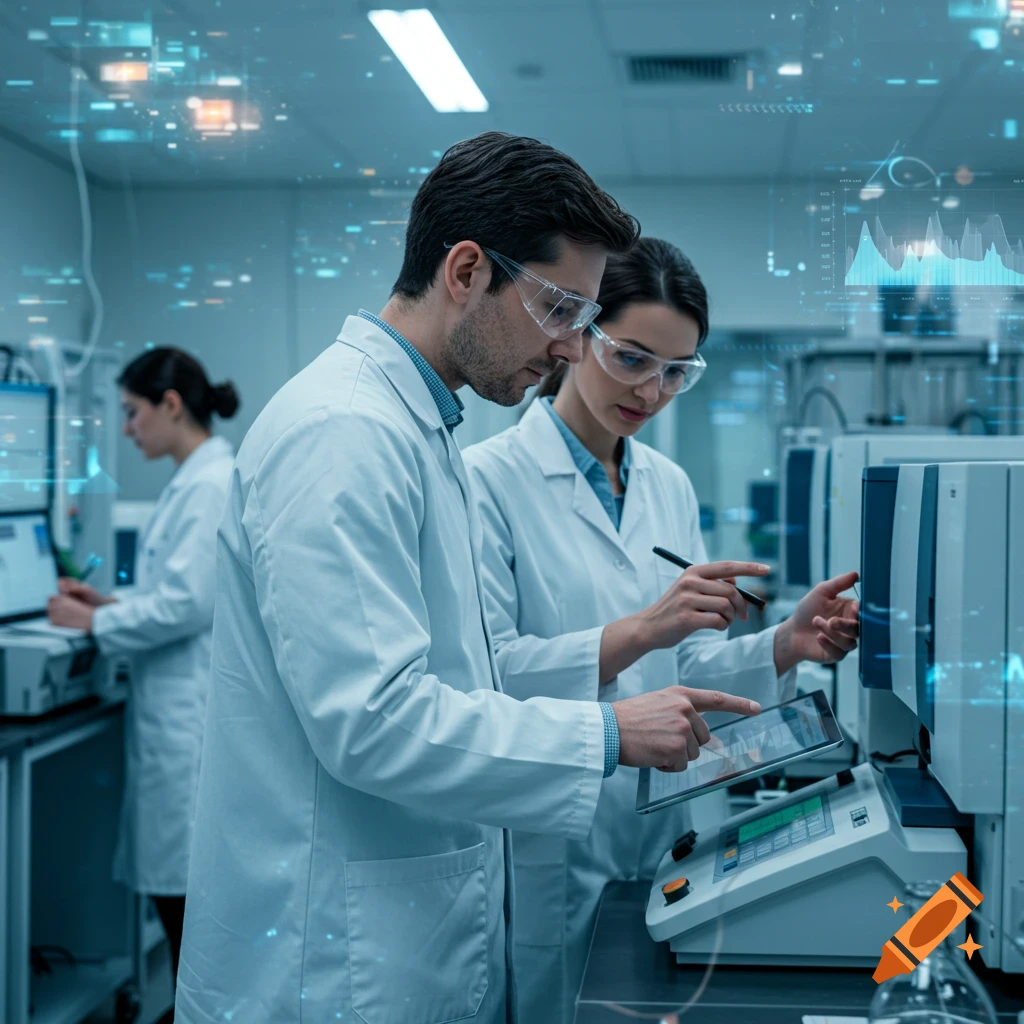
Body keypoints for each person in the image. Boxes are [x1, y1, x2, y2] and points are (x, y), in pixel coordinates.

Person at [173, 133, 765, 1024]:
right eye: (561, 309)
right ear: (464, 271)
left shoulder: (420, 430)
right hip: (328, 965)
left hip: (403, 936)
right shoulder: (344, 432)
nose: (573, 348)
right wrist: (604, 736)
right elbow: (373, 719)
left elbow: (469, 676)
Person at [464, 237, 860, 1024]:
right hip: (552, 826)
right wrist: (640, 631)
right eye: (634, 359)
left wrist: (785, 643)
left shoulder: (666, 485)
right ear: (580, 337)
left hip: (665, 818)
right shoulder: (489, 481)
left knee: (650, 999)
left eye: (677, 372)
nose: (652, 391)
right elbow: (489, 676)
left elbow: (694, 664)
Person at [47, 347, 238, 1022]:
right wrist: (108, 606)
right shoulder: (195, 479)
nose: (126, 429)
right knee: (180, 897)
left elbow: (186, 606)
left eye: (131, 412)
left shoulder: (211, 483)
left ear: (171, 405)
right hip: (175, 712)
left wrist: (94, 627)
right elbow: (177, 594)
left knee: (187, 905)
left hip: (186, 724)